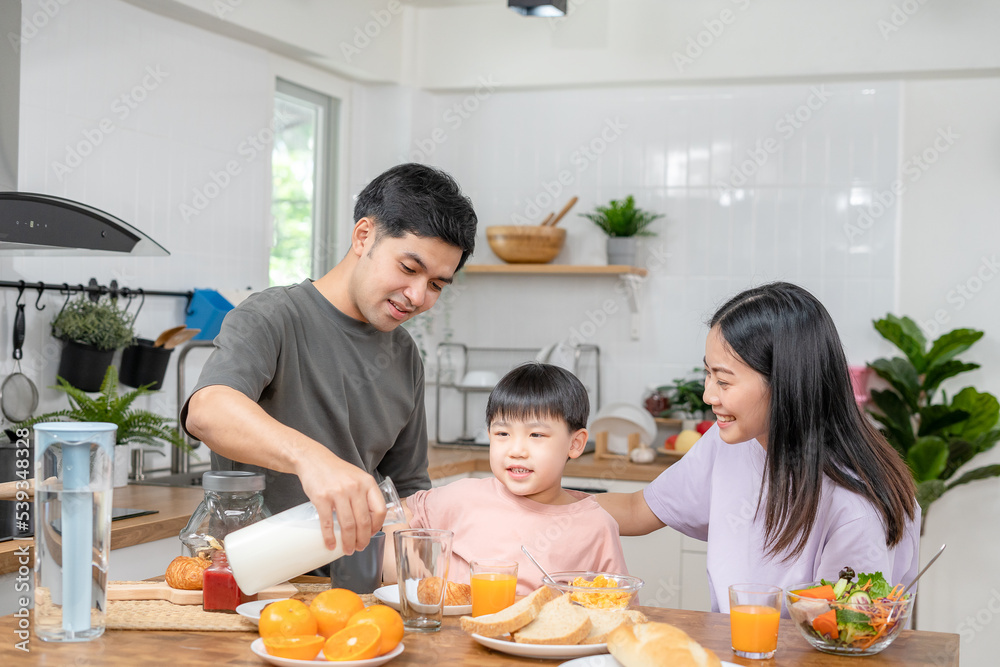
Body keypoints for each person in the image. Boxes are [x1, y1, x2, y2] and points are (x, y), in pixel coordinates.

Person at [183, 163, 478, 557]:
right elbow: (208, 411)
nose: (417, 296)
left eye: (436, 285)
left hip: (359, 589)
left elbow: (408, 489)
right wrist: (311, 459)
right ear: (363, 236)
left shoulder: (405, 354)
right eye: (409, 268)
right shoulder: (273, 317)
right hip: (254, 578)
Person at [597, 282, 920, 613]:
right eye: (708, 375)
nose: (709, 396)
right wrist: (548, 506)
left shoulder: (855, 508)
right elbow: (640, 509)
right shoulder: (730, 441)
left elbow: (838, 638)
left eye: (723, 381)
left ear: (783, 383)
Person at [385, 362, 628, 595]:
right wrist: (405, 563)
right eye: (502, 433)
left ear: (575, 444)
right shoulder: (463, 497)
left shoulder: (596, 526)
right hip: (454, 637)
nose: (516, 450)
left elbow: (617, 609)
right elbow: (395, 511)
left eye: (536, 434)